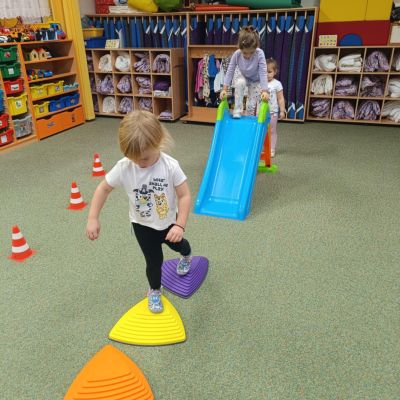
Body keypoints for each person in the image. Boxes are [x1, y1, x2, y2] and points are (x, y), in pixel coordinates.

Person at [86, 110, 192, 314]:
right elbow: (103, 189)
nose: (138, 163)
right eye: (133, 158)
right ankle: (154, 290)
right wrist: (93, 217)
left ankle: (186, 255)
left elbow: (185, 196)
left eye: (143, 158)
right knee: (153, 261)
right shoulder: (125, 166)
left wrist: (180, 225)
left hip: (169, 223)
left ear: (158, 142)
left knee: (178, 245)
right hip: (141, 225)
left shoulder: (170, 166)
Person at [220, 25, 269, 118]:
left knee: (251, 104)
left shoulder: (259, 53)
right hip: (244, 77)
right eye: (245, 53)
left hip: (256, 80)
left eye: (251, 52)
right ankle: (237, 110)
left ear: (256, 48)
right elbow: (230, 71)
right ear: (240, 48)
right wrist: (224, 89)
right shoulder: (237, 54)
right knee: (239, 82)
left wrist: (265, 91)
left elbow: (263, 72)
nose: (248, 55)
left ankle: (256, 118)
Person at [266, 58, 286, 157]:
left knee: (272, 131)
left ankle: (271, 148)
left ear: (275, 72)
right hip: (260, 112)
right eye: (264, 72)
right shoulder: (259, 82)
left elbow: (281, 98)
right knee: (261, 130)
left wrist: (282, 111)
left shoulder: (277, 84)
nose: (267, 74)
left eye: (269, 72)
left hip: (272, 112)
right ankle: (260, 148)